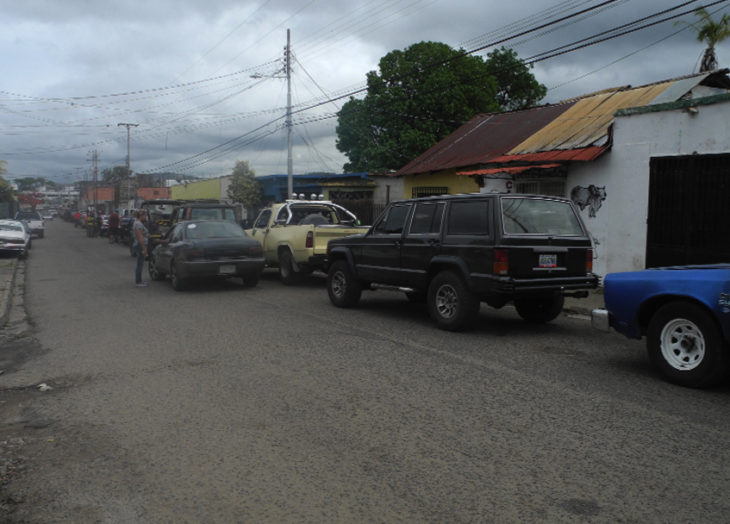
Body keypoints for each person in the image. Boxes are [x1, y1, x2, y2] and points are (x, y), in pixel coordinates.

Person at [133, 210, 149, 288]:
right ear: (141, 216)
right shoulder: (138, 224)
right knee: (140, 264)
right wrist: (144, 248)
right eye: (145, 216)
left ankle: (139, 281)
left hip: (139, 244)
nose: (145, 217)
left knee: (140, 263)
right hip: (140, 245)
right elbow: (140, 237)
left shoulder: (137, 223)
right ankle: (138, 282)